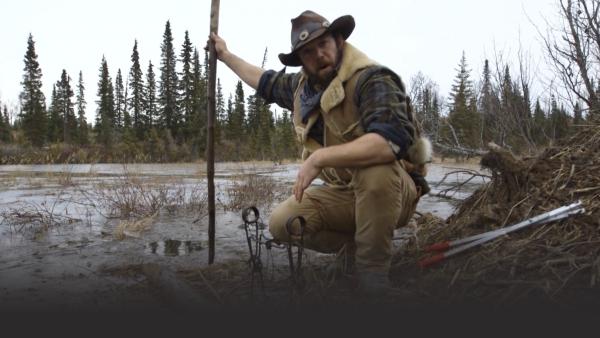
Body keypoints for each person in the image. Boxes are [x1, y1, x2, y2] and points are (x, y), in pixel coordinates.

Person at [210, 10, 431, 294]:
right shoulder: (303, 88)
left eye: (323, 44)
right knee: (282, 224)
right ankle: (356, 251)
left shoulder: (372, 78)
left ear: (338, 40)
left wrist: (319, 158)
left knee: (375, 168)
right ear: (301, 60)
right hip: (345, 194)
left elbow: (390, 142)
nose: (319, 55)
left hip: (394, 192)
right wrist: (225, 55)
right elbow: (263, 80)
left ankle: (373, 276)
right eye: (308, 52)